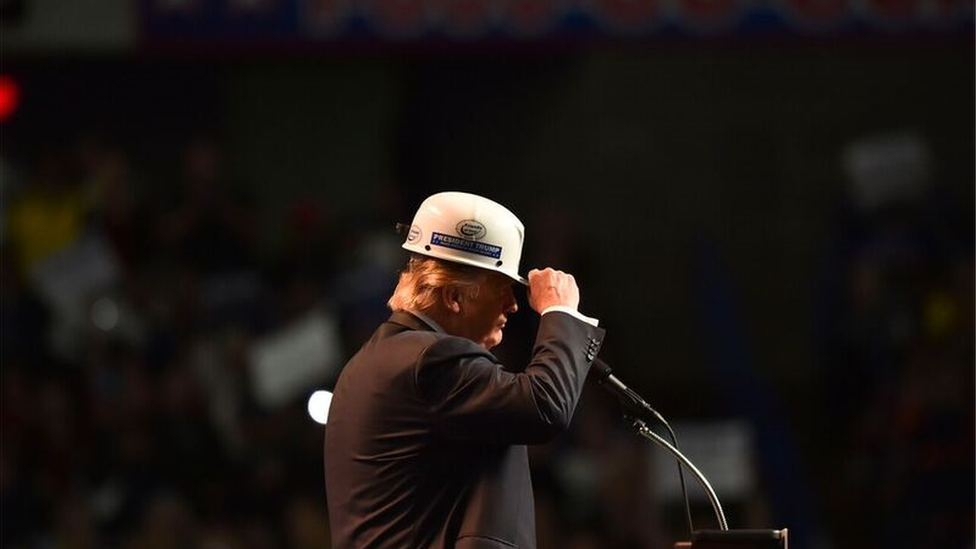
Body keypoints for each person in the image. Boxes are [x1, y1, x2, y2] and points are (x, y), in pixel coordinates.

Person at [323, 191, 606, 549]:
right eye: (503, 289)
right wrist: (560, 314)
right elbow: (543, 407)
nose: (514, 306)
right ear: (454, 296)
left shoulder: (378, 360)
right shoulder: (431, 358)